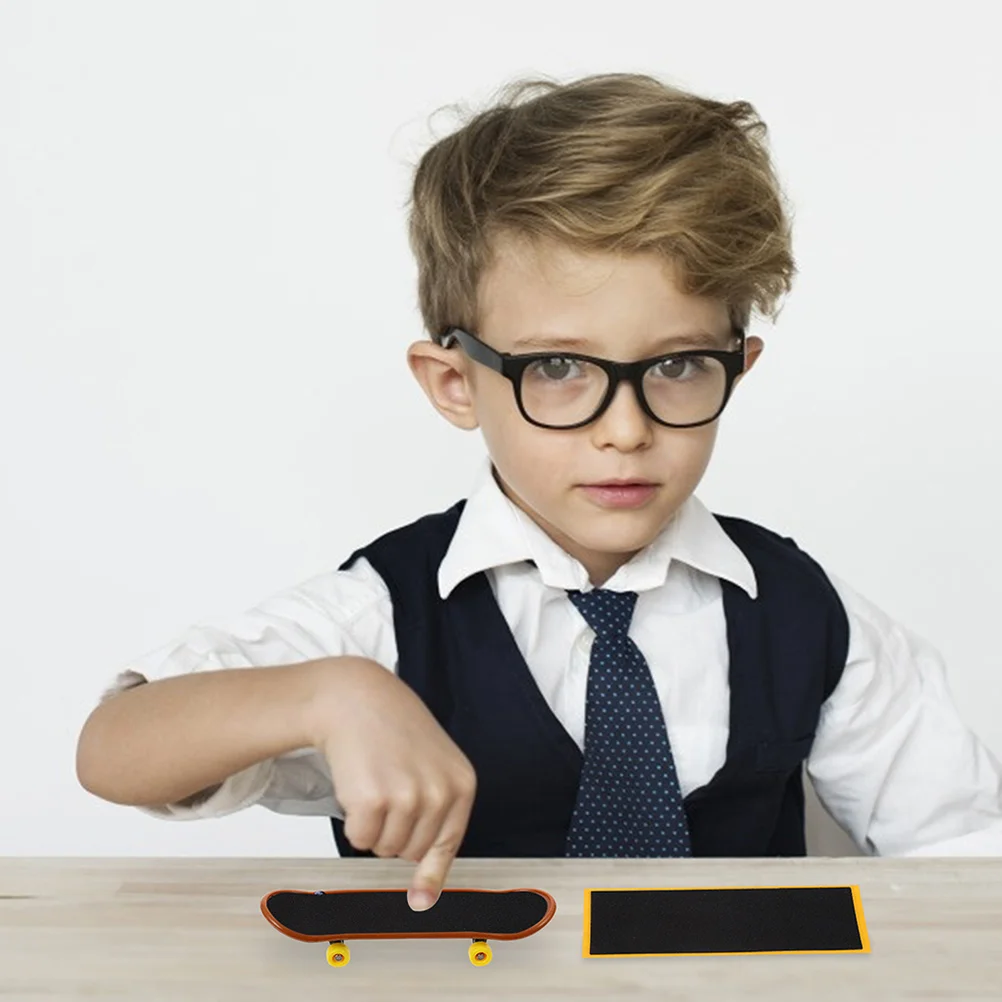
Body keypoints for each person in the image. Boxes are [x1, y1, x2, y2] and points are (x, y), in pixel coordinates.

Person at [76, 71, 1002, 913]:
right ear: (454, 384)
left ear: (738, 366)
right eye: (559, 367)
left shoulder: (811, 617)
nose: (626, 428)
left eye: (677, 365)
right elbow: (116, 747)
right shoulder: (387, 616)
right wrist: (330, 695)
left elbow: (966, 860)